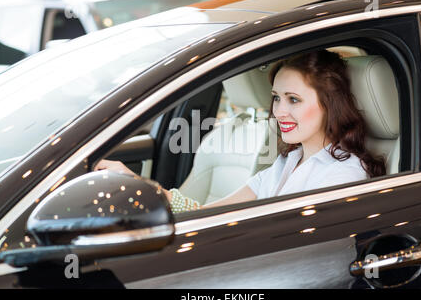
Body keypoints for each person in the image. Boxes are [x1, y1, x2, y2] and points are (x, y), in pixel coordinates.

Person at [95, 50, 386, 213]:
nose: (279, 111)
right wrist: (141, 188)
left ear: (329, 105)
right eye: (276, 97)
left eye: (293, 100)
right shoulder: (286, 163)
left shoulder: (344, 174)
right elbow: (207, 214)